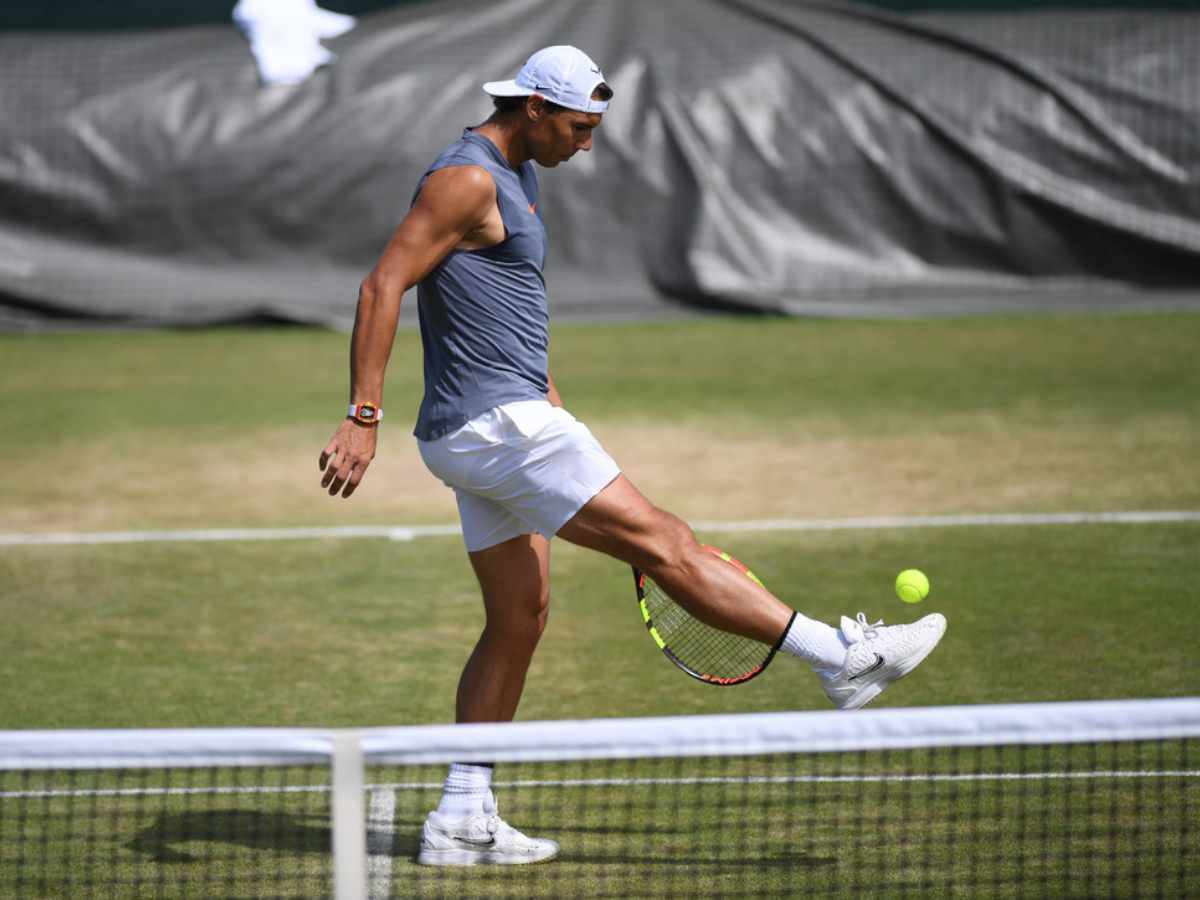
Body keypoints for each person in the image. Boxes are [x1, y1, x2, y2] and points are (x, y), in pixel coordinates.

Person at [318, 45, 947, 867]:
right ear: (533, 109)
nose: (587, 143)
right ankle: (842, 658)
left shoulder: (518, 172)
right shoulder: (465, 178)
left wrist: (541, 381)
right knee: (668, 544)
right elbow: (382, 285)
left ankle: (461, 816)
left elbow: (494, 298)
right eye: (579, 127)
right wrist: (362, 416)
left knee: (519, 617)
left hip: (486, 426)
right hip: (498, 430)